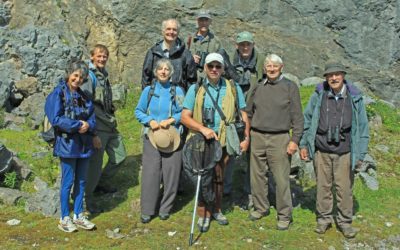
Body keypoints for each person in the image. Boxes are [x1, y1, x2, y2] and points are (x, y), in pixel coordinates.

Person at [181, 53, 250, 232]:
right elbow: (184, 117)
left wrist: (246, 138)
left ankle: (217, 209)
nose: (214, 70)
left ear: (223, 69)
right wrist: (202, 129)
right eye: (210, 66)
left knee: (219, 177)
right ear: (204, 68)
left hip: (224, 141)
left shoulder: (233, 88)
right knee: (202, 178)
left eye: (218, 66)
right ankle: (203, 213)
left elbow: (243, 114)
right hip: (200, 142)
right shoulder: (195, 89)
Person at [299, 62, 369, 238]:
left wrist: (360, 154)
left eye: (337, 74)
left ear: (343, 76)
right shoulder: (319, 94)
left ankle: (345, 222)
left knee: (344, 189)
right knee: (323, 187)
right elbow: (307, 119)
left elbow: (363, 127)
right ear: (326, 77)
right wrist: (303, 144)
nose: (333, 78)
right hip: (321, 150)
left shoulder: (355, 97)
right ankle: (324, 220)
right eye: (330, 75)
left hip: (345, 152)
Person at [246, 54, 304, 230]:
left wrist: (295, 140)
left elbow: (298, 117)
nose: (271, 69)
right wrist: (247, 136)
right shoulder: (257, 87)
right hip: (257, 136)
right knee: (257, 176)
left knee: (281, 178)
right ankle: (260, 207)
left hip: (280, 138)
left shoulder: (290, 87)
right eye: (268, 66)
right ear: (264, 68)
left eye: (275, 66)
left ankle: (285, 214)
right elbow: (248, 112)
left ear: (281, 67)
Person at [44, 60, 96, 233]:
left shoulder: (84, 96)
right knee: (67, 182)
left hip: (84, 146)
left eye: (81, 77)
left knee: (81, 181)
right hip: (67, 145)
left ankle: (78, 215)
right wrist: (77, 125)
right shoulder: (57, 94)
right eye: (75, 75)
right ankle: (64, 217)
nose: (78, 79)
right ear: (69, 74)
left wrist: (88, 125)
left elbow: (92, 117)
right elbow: (56, 119)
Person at [135, 59, 185, 223]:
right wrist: (150, 121)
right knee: (151, 173)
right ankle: (147, 210)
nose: (163, 72)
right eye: (160, 69)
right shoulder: (148, 91)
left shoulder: (177, 91)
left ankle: (165, 208)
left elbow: (183, 113)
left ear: (171, 73)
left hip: (172, 138)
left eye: (166, 69)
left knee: (172, 173)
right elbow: (139, 111)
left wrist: (171, 120)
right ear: (156, 72)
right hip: (152, 136)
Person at [81, 44, 127, 213]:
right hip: (97, 127)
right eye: (99, 56)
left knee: (120, 155)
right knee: (95, 165)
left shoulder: (103, 75)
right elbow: (85, 106)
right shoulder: (88, 77)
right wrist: (92, 133)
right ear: (92, 56)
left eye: (104, 56)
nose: (102, 59)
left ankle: (101, 183)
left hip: (109, 124)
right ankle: (86, 199)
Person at [223, 31, 265, 208]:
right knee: (230, 152)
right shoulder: (229, 63)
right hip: (235, 115)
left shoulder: (262, 63)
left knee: (253, 156)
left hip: (256, 116)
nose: (245, 47)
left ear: (253, 44)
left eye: (248, 44)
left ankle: (250, 191)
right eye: (242, 44)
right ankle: (225, 190)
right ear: (237, 46)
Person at [142, 18, 197, 91]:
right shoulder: (153, 53)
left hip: (178, 97)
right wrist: (147, 96)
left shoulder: (186, 54)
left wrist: (187, 99)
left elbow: (192, 80)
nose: (171, 32)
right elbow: (146, 78)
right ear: (163, 31)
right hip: (156, 95)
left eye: (174, 30)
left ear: (178, 32)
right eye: (168, 29)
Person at [187, 10, 222, 81]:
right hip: (191, 78)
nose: (204, 23)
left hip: (209, 79)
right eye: (201, 20)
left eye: (206, 20)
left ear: (210, 22)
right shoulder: (189, 40)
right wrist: (191, 58)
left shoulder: (216, 41)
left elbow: (221, 62)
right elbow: (182, 59)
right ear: (197, 21)